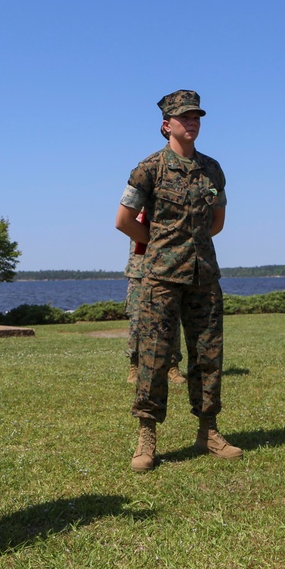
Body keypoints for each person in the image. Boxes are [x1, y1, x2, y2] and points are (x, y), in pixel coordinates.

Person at [115, 89, 242, 472]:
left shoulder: (213, 169)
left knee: (208, 356)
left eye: (197, 116)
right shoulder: (148, 168)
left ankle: (208, 431)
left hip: (204, 276)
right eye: (185, 116)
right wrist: (158, 247)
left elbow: (217, 220)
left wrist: (193, 246)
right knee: (154, 358)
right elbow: (123, 220)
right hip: (161, 278)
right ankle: (147, 436)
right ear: (166, 124)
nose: (192, 122)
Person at [125, 226, 185, 385]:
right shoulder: (138, 202)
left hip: (166, 266)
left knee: (171, 319)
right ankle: (135, 365)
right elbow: (125, 222)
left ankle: (172, 366)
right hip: (139, 269)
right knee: (137, 320)